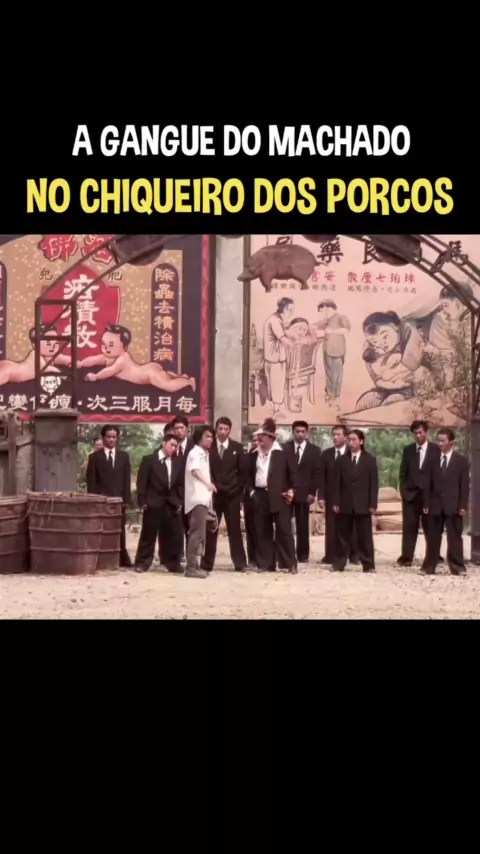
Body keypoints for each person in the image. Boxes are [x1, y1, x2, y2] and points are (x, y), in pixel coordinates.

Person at [246, 418, 297, 574]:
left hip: (280, 495)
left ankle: (289, 563)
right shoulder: (253, 453)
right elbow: (248, 475)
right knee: (262, 530)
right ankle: (266, 563)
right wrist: (252, 492)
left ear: (271, 437)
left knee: (284, 530)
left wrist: (292, 491)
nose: (259, 438)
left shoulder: (284, 452)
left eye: (262, 435)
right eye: (258, 435)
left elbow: (293, 474)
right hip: (260, 495)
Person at [79, 324, 196, 391]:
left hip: (147, 375)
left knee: (167, 385)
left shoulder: (123, 358)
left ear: (124, 347)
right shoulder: (109, 356)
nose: (106, 348)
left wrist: (96, 376)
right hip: (148, 368)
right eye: (103, 344)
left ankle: (188, 381)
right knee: (165, 376)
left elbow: (110, 371)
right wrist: (82, 363)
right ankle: (179, 376)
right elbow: (94, 359)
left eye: (111, 345)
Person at [134, 432, 184, 574]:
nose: (173, 448)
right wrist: (143, 500)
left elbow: (180, 483)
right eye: (171, 445)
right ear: (164, 443)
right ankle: (142, 562)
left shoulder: (177, 462)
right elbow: (142, 482)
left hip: (171, 503)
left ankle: (172, 563)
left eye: (176, 446)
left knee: (173, 534)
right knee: (148, 534)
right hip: (153, 502)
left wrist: (180, 501)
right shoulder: (149, 460)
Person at [202, 417, 247, 573]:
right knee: (211, 529)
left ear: (229, 431)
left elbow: (243, 472)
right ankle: (207, 563)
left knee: (234, 530)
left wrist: (237, 489)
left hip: (232, 495)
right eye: (220, 428)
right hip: (214, 494)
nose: (223, 432)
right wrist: (212, 485)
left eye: (226, 429)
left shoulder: (237, 448)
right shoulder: (209, 447)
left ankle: (240, 563)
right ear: (216, 429)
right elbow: (205, 469)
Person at [422, 428, 469, 576]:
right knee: (433, 537)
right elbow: (427, 484)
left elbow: (464, 486)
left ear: (451, 442)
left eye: (443, 441)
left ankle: (457, 567)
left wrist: (463, 505)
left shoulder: (461, 461)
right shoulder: (431, 460)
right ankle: (429, 567)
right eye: (438, 440)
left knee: (454, 537)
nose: (440, 443)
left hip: (453, 505)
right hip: (435, 505)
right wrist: (426, 504)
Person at [332, 429, 378, 573]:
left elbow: (374, 484)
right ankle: (339, 563)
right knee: (342, 535)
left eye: (354, 440)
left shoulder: (370, 460)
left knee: (365, 536)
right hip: (345, 503)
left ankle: (368, 564)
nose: (351, 443)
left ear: (361, 441)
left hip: (363, 504)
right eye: (349, 440)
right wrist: (336, 502)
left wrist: (372, 503)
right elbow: (336, 482)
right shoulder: (341, 460)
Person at [86, 425, 132, 568]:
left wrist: (126, 498)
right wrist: (94, 499)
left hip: (118, 500)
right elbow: (91, 482)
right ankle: (100, 558)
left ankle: (122, 557)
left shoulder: (123, 457)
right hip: (101, 500)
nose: (111, 440)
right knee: (101, 528)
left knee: (119, 529)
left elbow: (126, 479)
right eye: (109, 437)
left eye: (114, 437)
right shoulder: (94, 458)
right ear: (103, 438)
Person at [398, 420, 441, 568]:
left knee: (431, 528)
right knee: (409, 527)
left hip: (429, 495)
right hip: (411, 495)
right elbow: (402, 473)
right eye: (415, 433)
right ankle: (406, 557)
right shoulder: (408, 450)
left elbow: (439, 474)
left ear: (426, 432)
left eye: (420, 432)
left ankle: (434, 556)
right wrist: (404, 491)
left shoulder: (436, 450)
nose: (418, 436)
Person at [318, 425, 359, 566]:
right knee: (331, 526)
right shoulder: (326, 454)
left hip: (348, 496)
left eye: (338, 434)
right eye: (333, 434)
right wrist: (321, 496)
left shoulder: (351, 454)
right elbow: (321, 477)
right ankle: (331, 555)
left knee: (351, 527)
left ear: (345, 437)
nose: (335, 437)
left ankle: (354, 555)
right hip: (330, 496)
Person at [283, 420, 321, 564]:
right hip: (287, 492)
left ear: (307, 433)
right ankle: (287, 553)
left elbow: (316, 473)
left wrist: (312, 492)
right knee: (285, 524)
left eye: (302, 432)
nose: (300, 434)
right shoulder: (284, 448)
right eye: (297, 431)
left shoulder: (315, 451)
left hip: (305, 493)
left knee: (302, 525)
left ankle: (303, 555)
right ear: (293, 432)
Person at [184, 425, 217, 580]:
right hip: (197, 498)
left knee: (201, 534)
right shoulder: (195, 452)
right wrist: (208, 483)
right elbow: (195, 471)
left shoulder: (204, 453)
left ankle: (195, 566)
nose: (210, 439)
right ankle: (191, 567)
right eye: (207, 436)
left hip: (204, 498)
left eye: (211, 437)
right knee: (196, 534)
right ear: (199, 438)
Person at [313, 300, 350, 408]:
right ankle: (330, 395)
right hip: (327, 350)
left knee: (337, 375)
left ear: (331, 308)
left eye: (325, 310)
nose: (324, 313)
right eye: (321, 311)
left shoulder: (341, 317)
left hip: (338, 350)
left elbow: (346, 330)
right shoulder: (326, 320)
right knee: (329, 374)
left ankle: (334, 397)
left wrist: (331, 331)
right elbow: (314, 326)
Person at [263, 298, 294, 417]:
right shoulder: (275, 321)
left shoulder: (276, 319)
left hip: (272, 358)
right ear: (285, 309)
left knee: (273, 385)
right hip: (275, 359)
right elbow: (282, 338)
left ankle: (273, 411)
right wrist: (294, 344)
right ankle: (275, 411)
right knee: (277, 385)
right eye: (290, 309)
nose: (291, 312)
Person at [244, 433, 260, 567]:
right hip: (249, 496)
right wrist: (250, 490)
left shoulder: (266, 455)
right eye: (253, 440)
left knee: (261, 529)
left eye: (258, 440)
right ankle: (252, 558)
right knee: (250, 528)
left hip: (262, 496)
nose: (256, 442)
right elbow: (245, 476)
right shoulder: (247, 456)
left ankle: (262, 557)